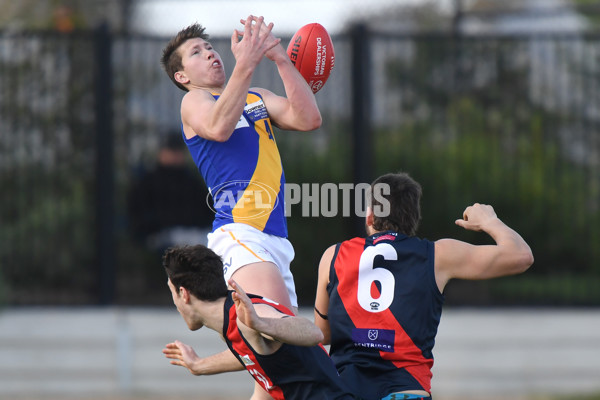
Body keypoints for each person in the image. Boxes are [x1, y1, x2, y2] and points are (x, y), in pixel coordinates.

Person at [161, 16, 320, 399]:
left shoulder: (255, 96)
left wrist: (281, 60)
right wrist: (246, 63)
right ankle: (198, 308)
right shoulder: (194, 101)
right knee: (281, 342)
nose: (211, 54)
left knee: (272, 367)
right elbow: (218, 128)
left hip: (273, 239)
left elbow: (308, 118)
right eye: (197, 53)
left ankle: (199, 317)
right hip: (240, 233)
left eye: (210, 47)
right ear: (183, 76)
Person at [314, 172, 534, 400]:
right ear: (413, 218)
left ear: (370, 216)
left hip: (346, 390)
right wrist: (490, 221)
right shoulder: (437, 255)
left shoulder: (334, 255)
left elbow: (322, 334)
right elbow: (521, 256)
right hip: (406, 389)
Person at [161, 244, 356, 400]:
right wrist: (198, 365)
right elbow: (251, 355)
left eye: (172, 292)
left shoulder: (248, 316)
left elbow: (313, 333)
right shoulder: (230, 319)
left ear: (183, 293)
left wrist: (261, 323)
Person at [127, 132, 212, 256]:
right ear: (162, 152)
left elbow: (207, 212)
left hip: (193, 235)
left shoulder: (191, 181)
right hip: (160, 237)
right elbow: (139, 218)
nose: (175, 155)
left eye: (178, 151)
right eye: (171, 150)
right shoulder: (149, 181)